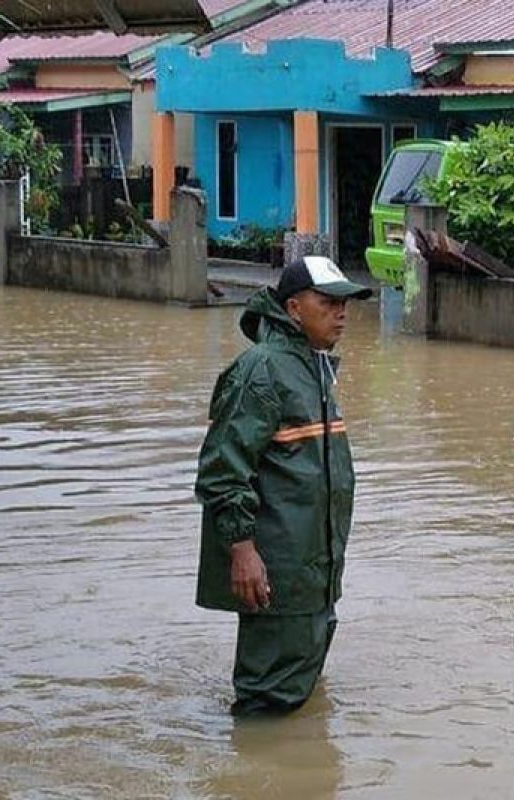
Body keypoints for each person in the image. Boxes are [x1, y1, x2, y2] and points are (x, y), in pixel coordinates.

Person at [195, 255, 372, 716]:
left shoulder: (313, 368)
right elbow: (222, 470)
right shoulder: (262, 370)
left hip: (316, 569)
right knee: (267, 704)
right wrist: (242, 550)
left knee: (297, 693)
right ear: (293, 308)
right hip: (279, 571)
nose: (341, 313)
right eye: (328, 302)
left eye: (344, 303)